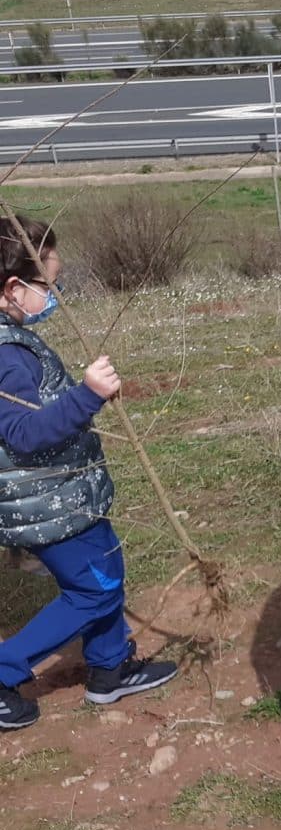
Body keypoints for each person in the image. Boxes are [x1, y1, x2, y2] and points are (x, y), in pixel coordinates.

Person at [0, 214, 177, 730]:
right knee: (94, 589)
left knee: (105, 571)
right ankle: (5, 669)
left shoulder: (12, 337)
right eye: (47, 286)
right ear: (13, 288)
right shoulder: (7, 355)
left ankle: (110, 666)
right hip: (48, 503)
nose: (53, 296)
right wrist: (87, 395)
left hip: (65, 496)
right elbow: (23, 433)